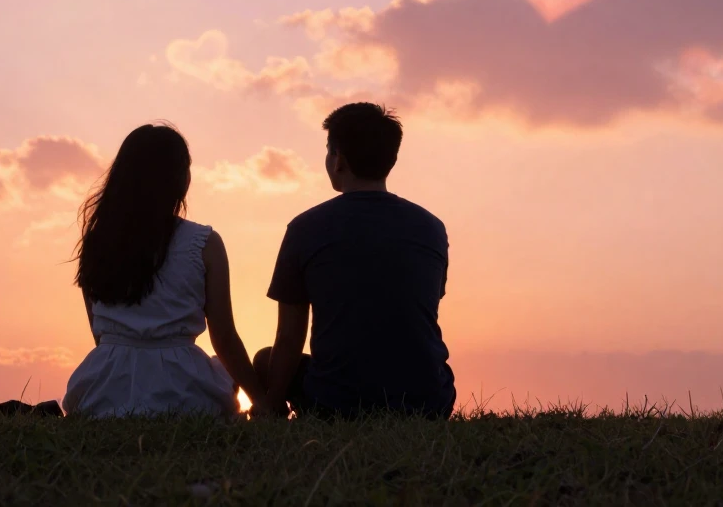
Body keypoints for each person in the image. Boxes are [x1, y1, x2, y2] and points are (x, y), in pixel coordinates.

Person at [254, 102, 455, 419]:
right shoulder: (431, 227)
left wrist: (271, 403)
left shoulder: (306, 228)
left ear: (338, 161)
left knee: (265, 359)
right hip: (428, 402)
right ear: (391, 160)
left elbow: (290, 336)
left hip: (336, 404)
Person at [64, 123, 265, 417]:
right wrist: (260, 398)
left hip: (105, 389)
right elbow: (223, 337)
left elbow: (100, 332)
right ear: (179, 178)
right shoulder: (204, 243)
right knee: (221, 376)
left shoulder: (97, 242)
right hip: (183, 387)